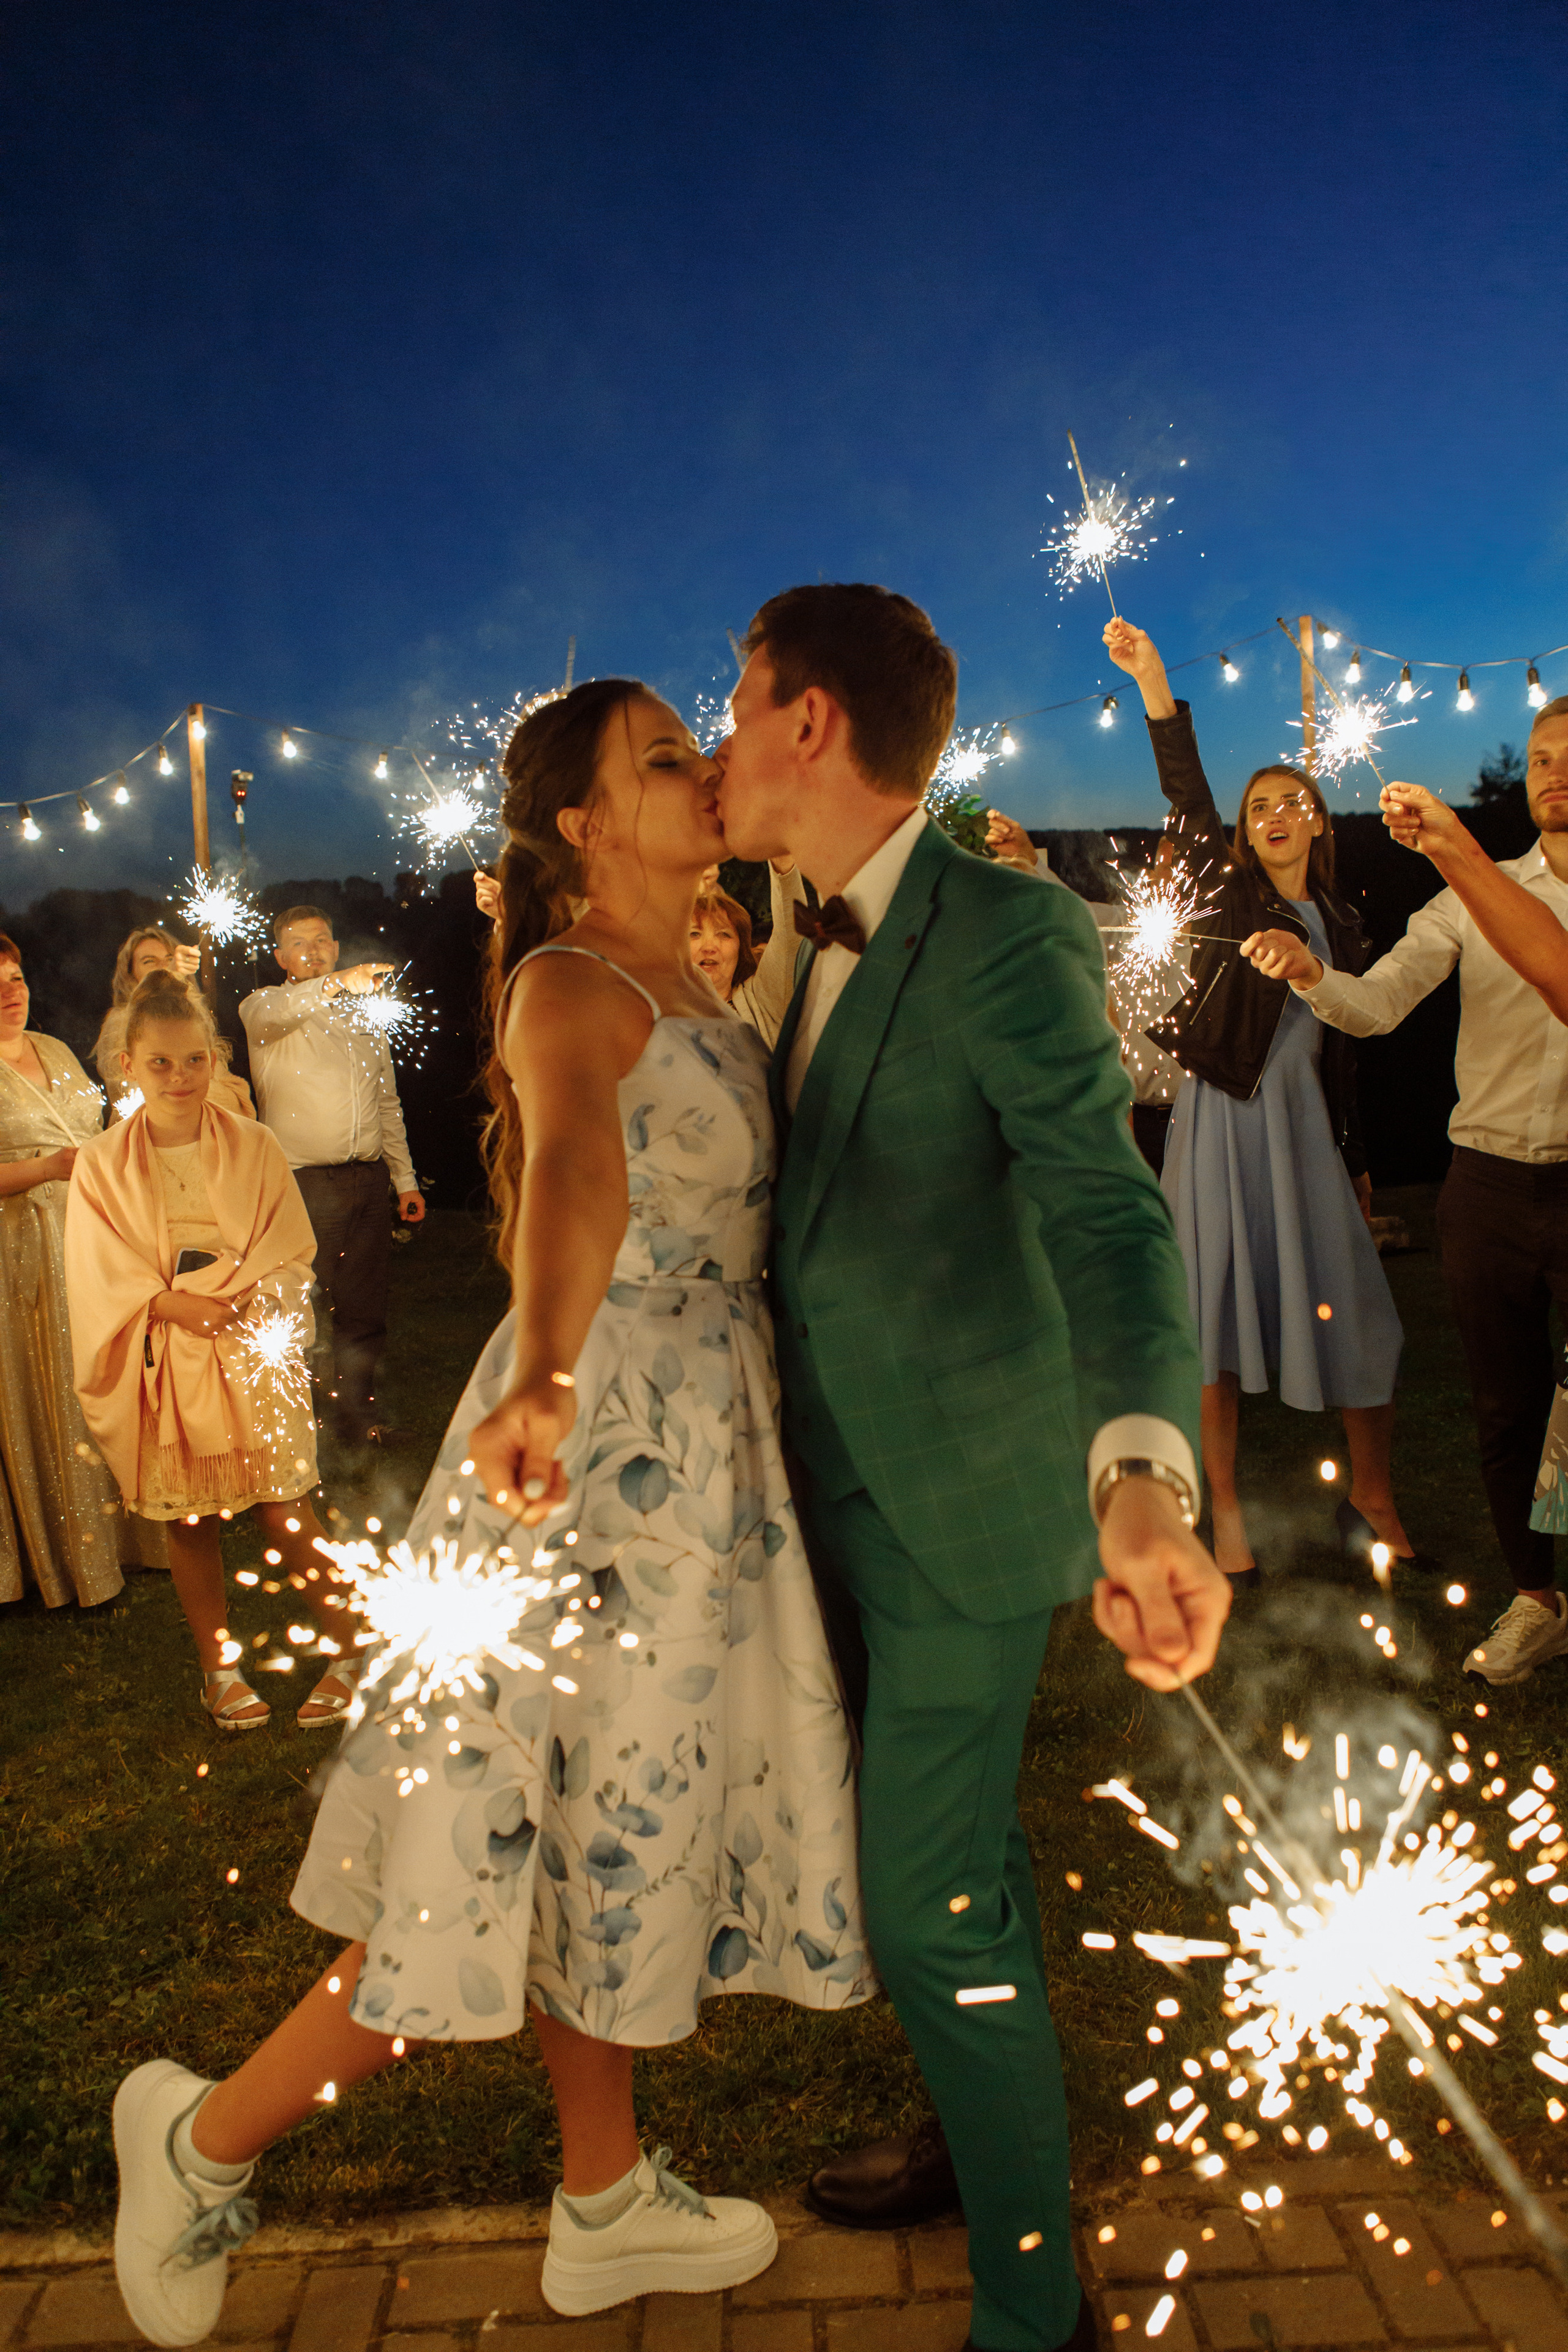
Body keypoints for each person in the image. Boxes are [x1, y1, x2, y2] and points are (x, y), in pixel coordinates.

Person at [108, 680, 869, 2348]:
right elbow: (581, 1170)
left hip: (694, 1471)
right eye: (666, 758)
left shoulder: (706, 976)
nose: (704, 770)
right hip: (587, 1459)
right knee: (471, 1875)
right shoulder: (570, 982)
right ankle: (197, 2142)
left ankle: (600, 2205)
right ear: (588, 825)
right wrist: (539, 1371)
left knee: (591, 1847)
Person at [715, 582, 1229, 2352]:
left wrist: (1142, 1479)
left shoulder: (1007, 930)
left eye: (735, 700)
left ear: (808, 722)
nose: (720, 737)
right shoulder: (794, 933)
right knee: (944, 1884)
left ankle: (1034, 2312)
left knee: (926, 1905)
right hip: (824, 1497)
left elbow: (1107, 1219)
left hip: (962, 1504)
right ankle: (972, 2132)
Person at [1245, 692, 1568, 1684]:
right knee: (1509, 1408)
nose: (1555, 770)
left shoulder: (1481, 881)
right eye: (1544, 756)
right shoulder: (1471, 895)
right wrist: (1309, 973)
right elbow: (1377, 1006)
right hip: (1488, 1185)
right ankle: (1536, 1597)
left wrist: (1454, 849)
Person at [1104, 618, 1421, 1587]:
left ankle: (1371, 1498)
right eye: (1262, 806)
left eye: (1295, 801)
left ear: (1320, 819)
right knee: (1213, 1324)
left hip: (1305, 1136)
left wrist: (1357, 1155)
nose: (1278, 813)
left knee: (1364, 1316)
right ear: (1246, 831)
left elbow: (1346, 1049)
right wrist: (1156, 681)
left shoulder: (1349, 922)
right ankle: (1225, 1509)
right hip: (1221, 1126)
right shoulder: (1235, 897)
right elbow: (1187, 799)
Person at [64, 970, 352, 1733]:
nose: (180, 1077)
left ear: (215, 1059)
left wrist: (249, 1294)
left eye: (194, 1060)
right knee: (189, 1521)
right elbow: (98, 1275)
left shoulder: (255, 1145)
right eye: (160, 1063)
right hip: (167, 1361)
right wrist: (168, 1303)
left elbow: (291, 1249)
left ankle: (354, 1649)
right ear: (127, 1064)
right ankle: (218, 1669)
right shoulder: (99, 1165)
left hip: (249, 1347)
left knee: (285, 1510)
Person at [0, 934, 161, 1607]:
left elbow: (93, 1131)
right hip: (17, 1248)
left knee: (99, 1376)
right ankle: (62, 1557)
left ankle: (122, 1539)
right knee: (44, 1386)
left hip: (85, 1235)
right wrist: (45, 1169)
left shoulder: (56, 1050)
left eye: (16, 976)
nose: (11, 991)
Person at [240, 908, 423, 1444]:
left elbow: (387, 1102)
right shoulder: (267, 1009)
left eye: (322, 941)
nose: (313, 951)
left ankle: (357, 1421)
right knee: (299, 1310)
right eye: (299, 943)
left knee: (363, 1309)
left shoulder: (367, 1015)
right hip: (302, 1185)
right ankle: (293, 1432)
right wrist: (335, 984)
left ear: (337, 946)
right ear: (280, 957)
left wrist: (405, 1180)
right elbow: (269, 1016)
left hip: (367, 1181)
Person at [94, 926, 255, 1121]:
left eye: (169, 959)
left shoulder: (195, 1023)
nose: (162, 967)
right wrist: (168, 978)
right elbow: (137, 1096)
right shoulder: (119, 1024)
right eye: (149, 961)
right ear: (130, 974)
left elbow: (234, 1099)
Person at [690, 865, 809, 1045]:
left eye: (724, 934)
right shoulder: (652, 1008)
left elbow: (791, 930)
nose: (709, 947)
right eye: (695, 934)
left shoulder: (761, 1001)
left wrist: (783, 863)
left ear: (741, 949)